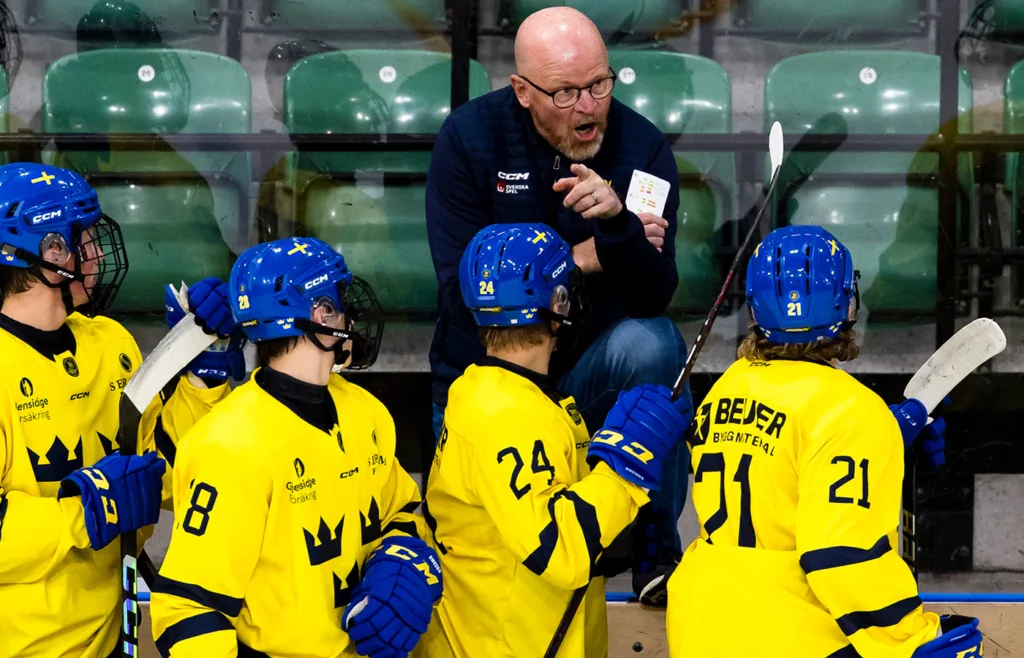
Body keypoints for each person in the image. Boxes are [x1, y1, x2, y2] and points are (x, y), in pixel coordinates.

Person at [425, 5, 689, 600]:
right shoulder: (468, 140)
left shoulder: (642, 147)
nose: (590, 107)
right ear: (522, 91)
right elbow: (462, 290)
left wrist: (617, 221)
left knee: (655, 344)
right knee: (492, 572)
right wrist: (591, 255)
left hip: (585, 370)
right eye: (566, 93)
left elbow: (654, 290)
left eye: (599, 84)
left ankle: (655, 545)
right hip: (488, 377)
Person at [665, 225, 980, 657]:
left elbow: (779, 456)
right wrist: (915, 637)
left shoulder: (726, 388)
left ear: (755, 311)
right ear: (848, 302)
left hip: (700, 630)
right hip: (790, 638)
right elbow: (841, 558)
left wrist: (885, 432)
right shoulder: (852, 411)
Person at [150, 237, 442, 658]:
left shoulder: (366, 411)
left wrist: (400, 556)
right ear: (320, 314)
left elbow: (399, 512)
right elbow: (187, 607)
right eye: (339, 302)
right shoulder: (228, 445)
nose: (350, 316)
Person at [414, 223, 693, 657]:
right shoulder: (506, 416)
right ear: (558, 302)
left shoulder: (498, 392)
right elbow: (559, 549)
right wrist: (624, 470)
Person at [0, 162, 239, 658]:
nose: (95, 254)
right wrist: (82, 513)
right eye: (80, 241)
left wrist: (201, 373)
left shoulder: (110, 342)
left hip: (112, 633)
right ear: (45, 253)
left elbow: (169, 474)